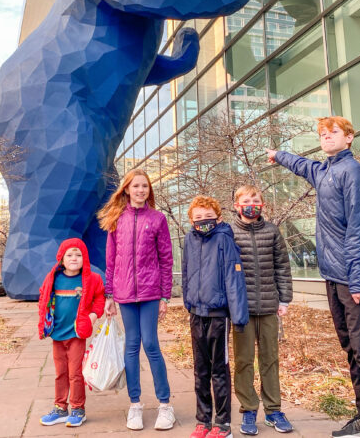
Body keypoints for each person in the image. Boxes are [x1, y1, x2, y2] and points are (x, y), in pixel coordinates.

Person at [267, 116, 360, 438]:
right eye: (323, 134)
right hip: (333, 275)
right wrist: (278, 155)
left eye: (334, 133)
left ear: (349, 138)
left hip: (351, 277)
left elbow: (358, 229)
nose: (327, 138)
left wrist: (357, 280)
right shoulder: (324, 170)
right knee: (351, 347)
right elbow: (300, 165)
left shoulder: (352, 172)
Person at [99, 168, 175, 431]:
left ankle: (165, 405)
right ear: (127, 189)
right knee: (131, 346)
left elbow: (166, 259)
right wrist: (108, 294)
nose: (140, 190)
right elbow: (110, 260)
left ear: (148, 190)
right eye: (136, 186)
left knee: (151, 344)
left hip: (151, 292)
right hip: (124, 293)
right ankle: (135, 405)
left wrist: (166, 295)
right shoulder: (116, 219)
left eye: (145, 186)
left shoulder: (157, 219)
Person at [183, 195, 249, 438]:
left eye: (208, 216)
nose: (203, 221)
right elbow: (187, 271)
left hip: (218, 316)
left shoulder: (224, 239)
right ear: (191, 220)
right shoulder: (189, 239)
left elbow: (234, 279)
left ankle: (223, 424)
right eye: (198, 217)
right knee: (200, 371)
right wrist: (188, 302)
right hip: (196, 314)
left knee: (219, 370)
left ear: (218, 217)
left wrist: (239, 316)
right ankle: (203, 420)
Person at [231, 185, 293, 435]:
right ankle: (248, 410)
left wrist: (285, 300)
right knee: (244, 361)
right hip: (241, 310)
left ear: (263, 205)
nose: (252, 204)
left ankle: (273, 410)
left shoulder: (272, 231)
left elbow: (282, 266)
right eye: (246, 200)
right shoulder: (230, 232)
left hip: (268, 306)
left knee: (270, 360)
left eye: (256, 200)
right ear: (237, 205)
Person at [37, 237, 105, 428]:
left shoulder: (92, 279)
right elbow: (43, 296)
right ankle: (60, 408)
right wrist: (44, 320)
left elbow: (99, 298)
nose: (74, 258)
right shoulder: (53, 278)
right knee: (60, 373)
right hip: (57, 335)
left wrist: (92, 317)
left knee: (75, 373)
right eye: (69, 254)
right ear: (61, 258)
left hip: (76, 335)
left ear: (85, 258)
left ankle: (78, 409)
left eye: (78, 254)